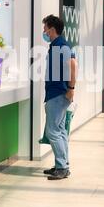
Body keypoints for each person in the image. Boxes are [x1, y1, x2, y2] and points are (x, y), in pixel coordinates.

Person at [42, 15, 78, 181]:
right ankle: (61, 164)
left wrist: (71, 88)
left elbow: (73, 65)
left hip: (57, 93)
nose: (44, 31)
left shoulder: (60, 45)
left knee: (53, 131)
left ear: (52, 29)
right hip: (58, 93)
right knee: (60, 130)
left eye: (45, 28)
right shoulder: (58, 45)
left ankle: (62, 167)